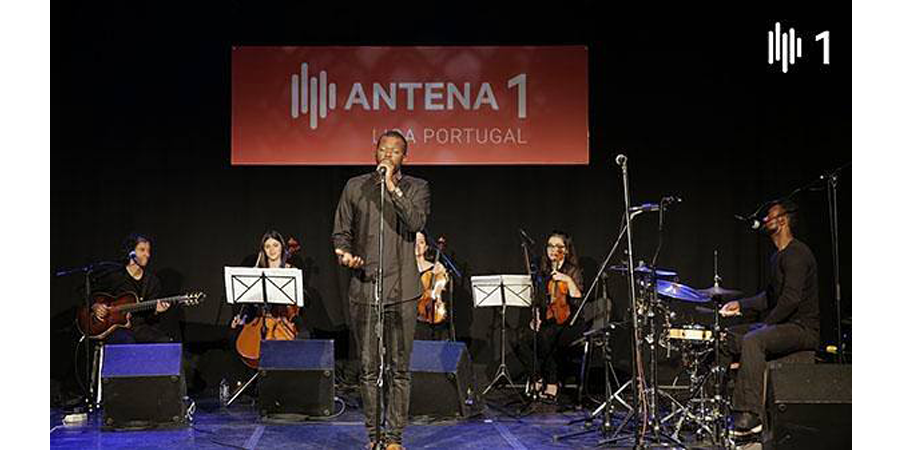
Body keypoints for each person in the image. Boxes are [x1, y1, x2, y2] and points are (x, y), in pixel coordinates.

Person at [332, 130, 430, 450]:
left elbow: (415, 223)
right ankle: (374, 436)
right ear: (375, 152)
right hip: (365, 289)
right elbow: (341, 232)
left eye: (395, 151)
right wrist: (345, 254)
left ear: (405, 157)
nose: (387, 155)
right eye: (383, 149)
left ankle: (394, 437)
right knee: (368, 368)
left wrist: (392, 188)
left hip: (403, 291)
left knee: (399, 370)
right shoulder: (355, 187)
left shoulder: (417, 188)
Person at [719, 200, 820, 437]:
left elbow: (791, 300)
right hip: (783, 326)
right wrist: (741, 305)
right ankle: (719, 406)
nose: (765, 220)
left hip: (802, 329)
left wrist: (766, 325)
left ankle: (751, 415)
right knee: (728, 337)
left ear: (782, 220)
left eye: (769, 216)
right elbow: (770, 297)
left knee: (753, 340)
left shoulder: (797, 254)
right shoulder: (778, 257)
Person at [516, 231, 584, 402]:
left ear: (566, 250)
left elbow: (578, 299)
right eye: (550, 246)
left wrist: (567, 280)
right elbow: (538, 300)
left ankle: (552, 382)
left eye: (558, 246)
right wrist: (536, 317)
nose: (553, 249)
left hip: (569, 322)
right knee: (519, 338)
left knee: (546, 336)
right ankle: (537, 377)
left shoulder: (573, 271)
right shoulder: (542, 272)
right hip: (548, 319)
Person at [91, 233, 173, 344]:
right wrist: (95, 306)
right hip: (114, 327)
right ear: (131, 252)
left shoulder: (152, 282)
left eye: (148, 251)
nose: (147, 255)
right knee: (126, 341)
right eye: (142, 250)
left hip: (139, 327)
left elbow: (150, 319)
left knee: (165, 342)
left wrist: (157, 311)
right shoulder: (115, 276)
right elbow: (90, 294)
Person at [414, 231, 451, 341]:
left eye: (421, 242)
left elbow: (441, 288)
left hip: (432, 312)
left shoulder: (435, 268)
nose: (417, 246)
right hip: (411, 313)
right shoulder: (406, 268)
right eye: (415, 242)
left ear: (426, 247)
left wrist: (442, 274)